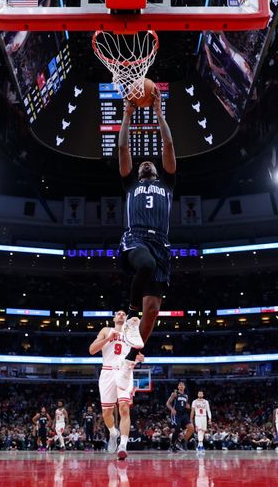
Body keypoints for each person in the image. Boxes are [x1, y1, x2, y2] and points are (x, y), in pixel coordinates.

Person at [116, 91, 176, 364]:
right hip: (136, 238)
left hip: (161, 244)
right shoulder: (130, 183)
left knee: (152, 310)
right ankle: (130, 311)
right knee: (147, 265)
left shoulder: (167, 183)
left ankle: (130, 357)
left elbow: (169, 146)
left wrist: (160, 115)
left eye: (149, 163)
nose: (146, 163)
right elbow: (123, 149)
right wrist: (127, 116)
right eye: (143, 164)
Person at [89, 310, 145, 461]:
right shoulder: (106, 330)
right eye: (118, 313)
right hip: (107, 372)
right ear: (114, 318)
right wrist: (108, 339)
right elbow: (92, 350)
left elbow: (137, 354)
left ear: (127, 318)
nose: (121, 315)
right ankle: (113, 433)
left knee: (124, 407)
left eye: (123, 314)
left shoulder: (131, 333)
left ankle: (123, 446)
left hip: (125, 370)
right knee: (107, 413)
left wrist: (140, 357)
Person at [166, 382, 193, 452]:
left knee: (191, 428)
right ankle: (172, 445)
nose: (181, 386)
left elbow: (187, 405)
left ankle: (182, 442)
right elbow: (168, 403)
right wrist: (172, 409)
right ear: (178, 387)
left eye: (182, 385)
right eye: (180, 385)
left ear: (184, 387)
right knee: (177, 428)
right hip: (176, 414)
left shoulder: (186, 396)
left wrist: (188, 406)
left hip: (184, 414)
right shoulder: (174, 394)